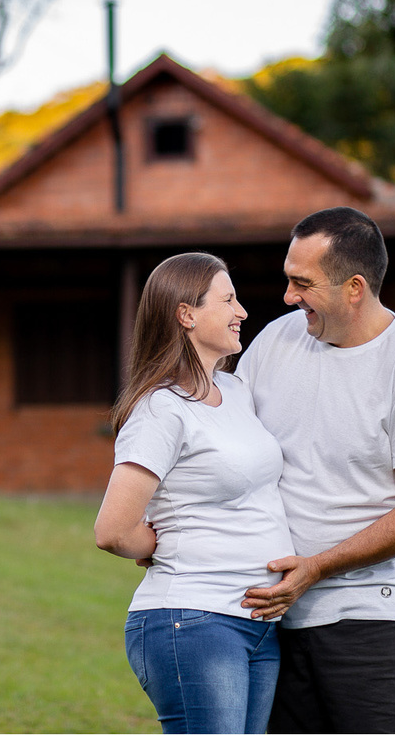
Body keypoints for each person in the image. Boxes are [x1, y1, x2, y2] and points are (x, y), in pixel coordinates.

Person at [236, 206, 395, 733]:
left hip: (372, 625)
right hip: (273, 622)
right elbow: (228, 450)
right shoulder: (275, 342)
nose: (288, 297)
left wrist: (318, 567)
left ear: (354, 287)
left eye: (302, 283)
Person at [95, 252, 294, 734]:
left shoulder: (237, 392)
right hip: (194, 621)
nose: (242, 311)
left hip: (258, 625)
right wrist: (160, 544)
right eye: (228, 300)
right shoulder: (161, 410)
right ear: (187, 314)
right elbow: (113, 531)